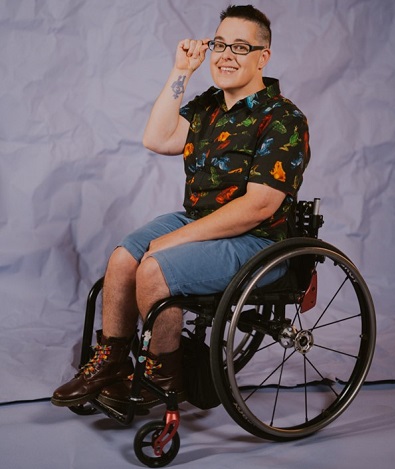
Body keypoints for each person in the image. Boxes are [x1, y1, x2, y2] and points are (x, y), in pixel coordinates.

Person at [51, 4, 310, 411]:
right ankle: (113, 364)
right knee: (123, 259)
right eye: (220, 43)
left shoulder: (282, 118)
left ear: (264, 57)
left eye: (240, 46)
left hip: (257, 242)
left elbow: (259, 207)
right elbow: (157, 138)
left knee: (154, 266)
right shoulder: (208, 107)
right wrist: (182, 71)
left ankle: (162, 376)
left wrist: (172, 241)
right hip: (199, 220)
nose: (225, 54)